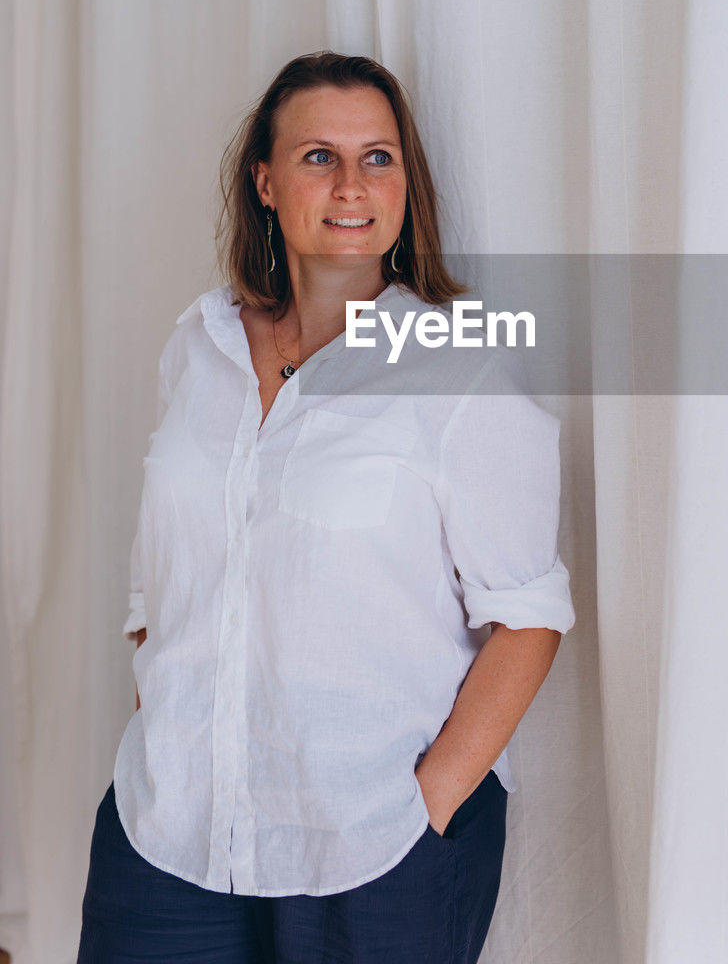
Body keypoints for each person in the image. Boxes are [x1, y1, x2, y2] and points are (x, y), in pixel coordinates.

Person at [77, 51, 576, 963]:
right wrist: (166, 700)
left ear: (404, 185)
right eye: (317, 157)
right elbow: (163, 579)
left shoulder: (461, 374)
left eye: (376, 157)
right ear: (265, 182)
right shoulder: (199, 347)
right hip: (167, 830)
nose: (350, 183)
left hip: (373, 853)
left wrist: (423, 807)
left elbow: (527, 617)